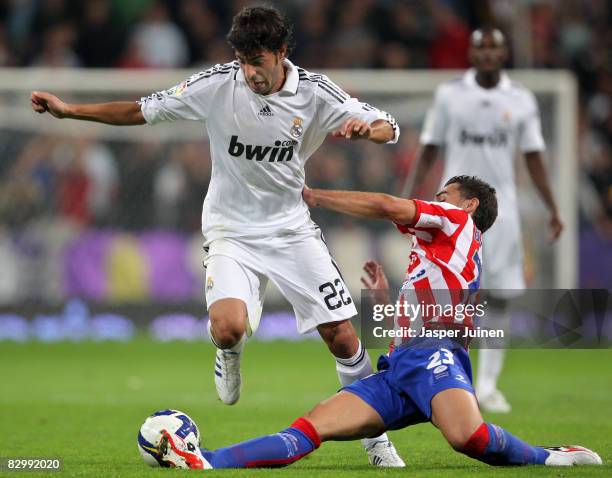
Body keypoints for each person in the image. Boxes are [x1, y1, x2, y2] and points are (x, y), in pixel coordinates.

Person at [30, 5, 403, 467]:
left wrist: (368, 131)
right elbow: (140, 110)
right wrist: (70, 112)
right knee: (227, 328)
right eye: (244, 61)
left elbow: (389, 125)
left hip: (290, 230)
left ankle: (376, 438)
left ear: (282, 52)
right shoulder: (217, 85)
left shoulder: (315, 92)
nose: (250, 72)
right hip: (231, 230)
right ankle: (229, 353)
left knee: (343, 336)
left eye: (259, 62)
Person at [153, 176, 602, 470]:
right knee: (311, 426)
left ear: (469, 203)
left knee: (469, 438)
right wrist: (389, 303)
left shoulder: (455, 220)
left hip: (431, 360)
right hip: (403, 368)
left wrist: (314, 197)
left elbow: (389, 205)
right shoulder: (445, 258)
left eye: (443, 193)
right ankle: (205, 461)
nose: (435, 199)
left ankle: (549, 457)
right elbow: (453, 323)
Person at [402, 27, 563, 413]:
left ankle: (488, 385)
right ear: (472, 54)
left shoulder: (520, 100)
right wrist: (408, 195)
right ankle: (444, 378)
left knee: (499, 299)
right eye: (481, 47)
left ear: (504, 52)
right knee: (449, 296)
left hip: (500, 214)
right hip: (454, 213)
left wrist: (553, 207)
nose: (488, 53)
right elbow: (429, 148)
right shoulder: (450, 95)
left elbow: (534, 156)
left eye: (494, 47)